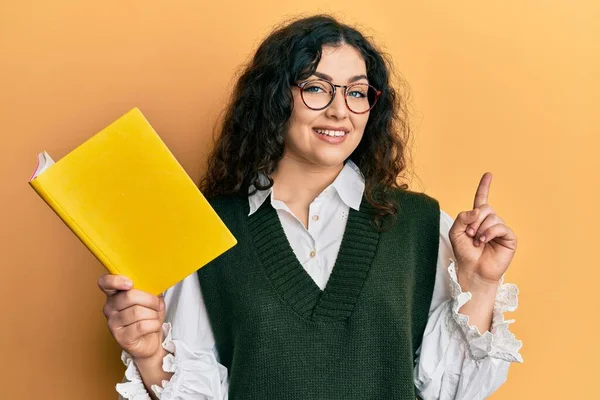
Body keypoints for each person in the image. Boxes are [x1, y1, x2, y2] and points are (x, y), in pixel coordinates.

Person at [98, 15, 523, 400]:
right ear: (274, 98)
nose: (340, 110)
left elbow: (452, 391)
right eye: (316, 88)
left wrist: (481, 282)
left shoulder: (421, 226)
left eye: (357, 92)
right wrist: (150, 354)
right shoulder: (210, 228)